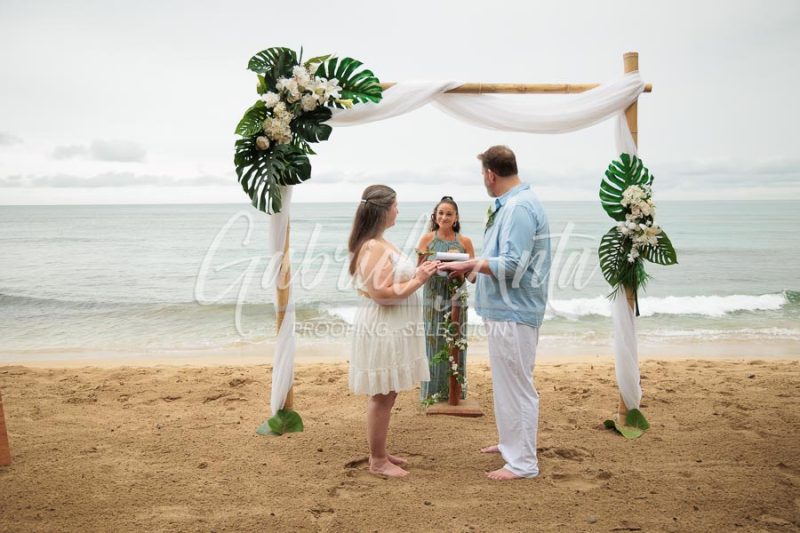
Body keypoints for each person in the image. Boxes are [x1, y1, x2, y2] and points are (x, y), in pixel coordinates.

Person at [439, 146, 551, 480]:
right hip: (504, 309)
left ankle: (523, 464)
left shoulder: (517, 208)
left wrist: (473, 263)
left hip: (513, 311)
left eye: (483, 176)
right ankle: (510, 445)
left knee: (517, 387)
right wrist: (467, 267)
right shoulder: (512, 204)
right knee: (506, 385)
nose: (484, 182)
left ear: (491, 174)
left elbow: (514, 264)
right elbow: (498, 257)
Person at [347, 184, 440, 478]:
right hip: (383, 326)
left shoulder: (380, 241)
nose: (399, 210)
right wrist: (419, 280)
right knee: (383, 394)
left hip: (395, 325)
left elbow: (393, 281)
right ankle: (376, 461)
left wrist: (421, 270)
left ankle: (381, 452)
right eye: (396, 205)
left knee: (390, 391)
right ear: (384, 210)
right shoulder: (374, 246)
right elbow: (381, 294)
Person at [415, 196, 476, 403]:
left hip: (457, 297)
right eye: (441, 213)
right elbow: (418, 272)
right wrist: (433, 268)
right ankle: (432, 393)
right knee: (433, 341)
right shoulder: (426, 239)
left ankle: (455, 392)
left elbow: (473, 276)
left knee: (456, 342)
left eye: (449, 213)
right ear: (435, 216)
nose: (444, 217)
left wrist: (461, 271)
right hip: (433, 296)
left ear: (456, 217)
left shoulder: (464, 242)